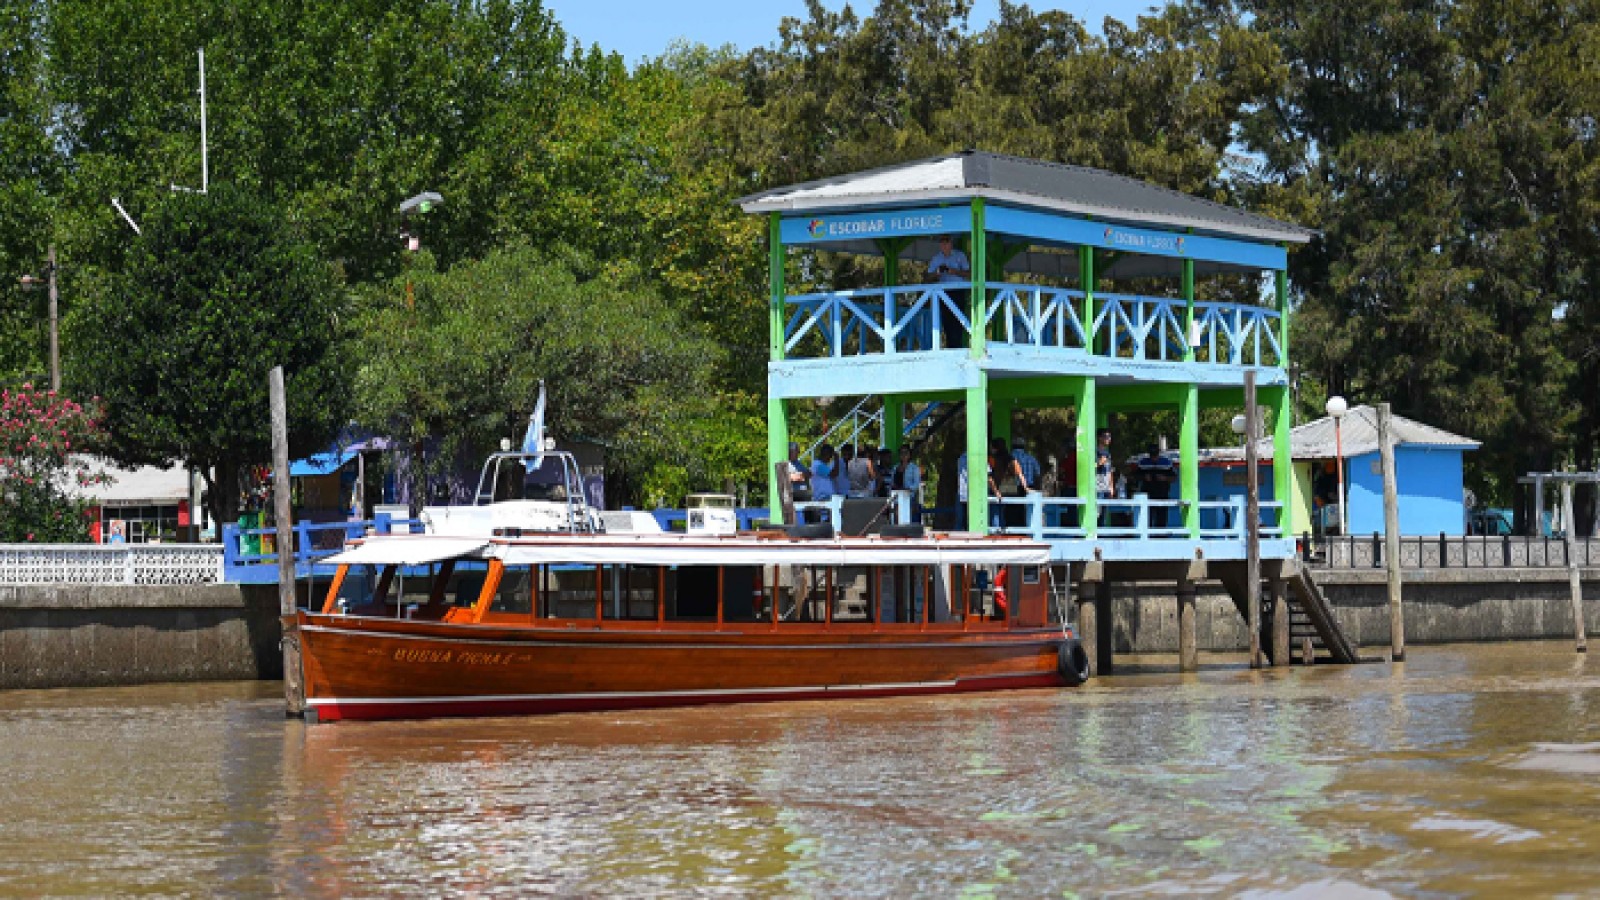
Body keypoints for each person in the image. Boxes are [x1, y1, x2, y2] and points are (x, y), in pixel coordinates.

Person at [929, 235, 971, 348]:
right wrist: (937, 273)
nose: (944, 244)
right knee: (946, 322)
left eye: (946, 241)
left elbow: (969, 273)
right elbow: (928, 277)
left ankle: (958, 347)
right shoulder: (936, 258)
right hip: (943, 293)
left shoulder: (960, 255)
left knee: (958, 321)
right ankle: (950, 347)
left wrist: (954, 271)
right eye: (942, 241)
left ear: (951, 243)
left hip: (958, 292)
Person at [989, 437, 1028, 529]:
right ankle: (1006, 531)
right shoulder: (1011, 459)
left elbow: (990, 478)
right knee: (1007, 513)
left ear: (995, 448)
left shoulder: (992, 459)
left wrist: (996, 491)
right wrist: (1026, 488)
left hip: (996, 488)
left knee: (996, 513)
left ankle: (996, 533)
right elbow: (1020, 474)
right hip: (1010, 488)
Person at [1136, 443, 1177, 528]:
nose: (1153, 457)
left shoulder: (1166, 463)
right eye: (1152, 455)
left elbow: (1174, 478)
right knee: (1147, 519)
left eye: (1155, 455)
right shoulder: (1143, 463)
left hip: (1162, 495)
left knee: (1161, 520)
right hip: (1147, 495)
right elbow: (1135, 476)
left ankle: (1161, 535)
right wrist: (1144, 477)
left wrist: (1164, 478)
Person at [893, 445, 922, 524]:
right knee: (897, 518)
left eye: (906, 453)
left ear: (909, 455)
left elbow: (916, 484)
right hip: (897, 497)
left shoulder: (914, 468)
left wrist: (907, 488)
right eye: (901, 453)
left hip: (909, 497)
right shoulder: (895, 468)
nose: (903, 455)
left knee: (907, 520)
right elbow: (893, 483)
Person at [809, 444, 837, 522]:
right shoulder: (819, 465)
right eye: (830, 456)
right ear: (826, 454)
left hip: (825, 497)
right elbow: (834, 474)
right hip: (822, 497)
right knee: (826, 520)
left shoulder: (821, 465)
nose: (830, 459)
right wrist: (837, 460)